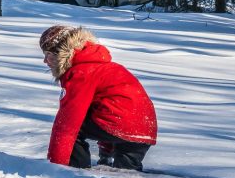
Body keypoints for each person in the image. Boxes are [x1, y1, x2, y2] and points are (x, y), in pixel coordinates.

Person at [40, 25, 157, 170]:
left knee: (75, 127)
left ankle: (74, 172)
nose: (45, 61)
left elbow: (67, 124)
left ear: (62, 53)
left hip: (120, 124)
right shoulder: (108, 67)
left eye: (49, 56)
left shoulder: (80, 72)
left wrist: (55, 166)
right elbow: (112, 107)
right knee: (127, 175)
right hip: (146, 128)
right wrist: (106, 152)